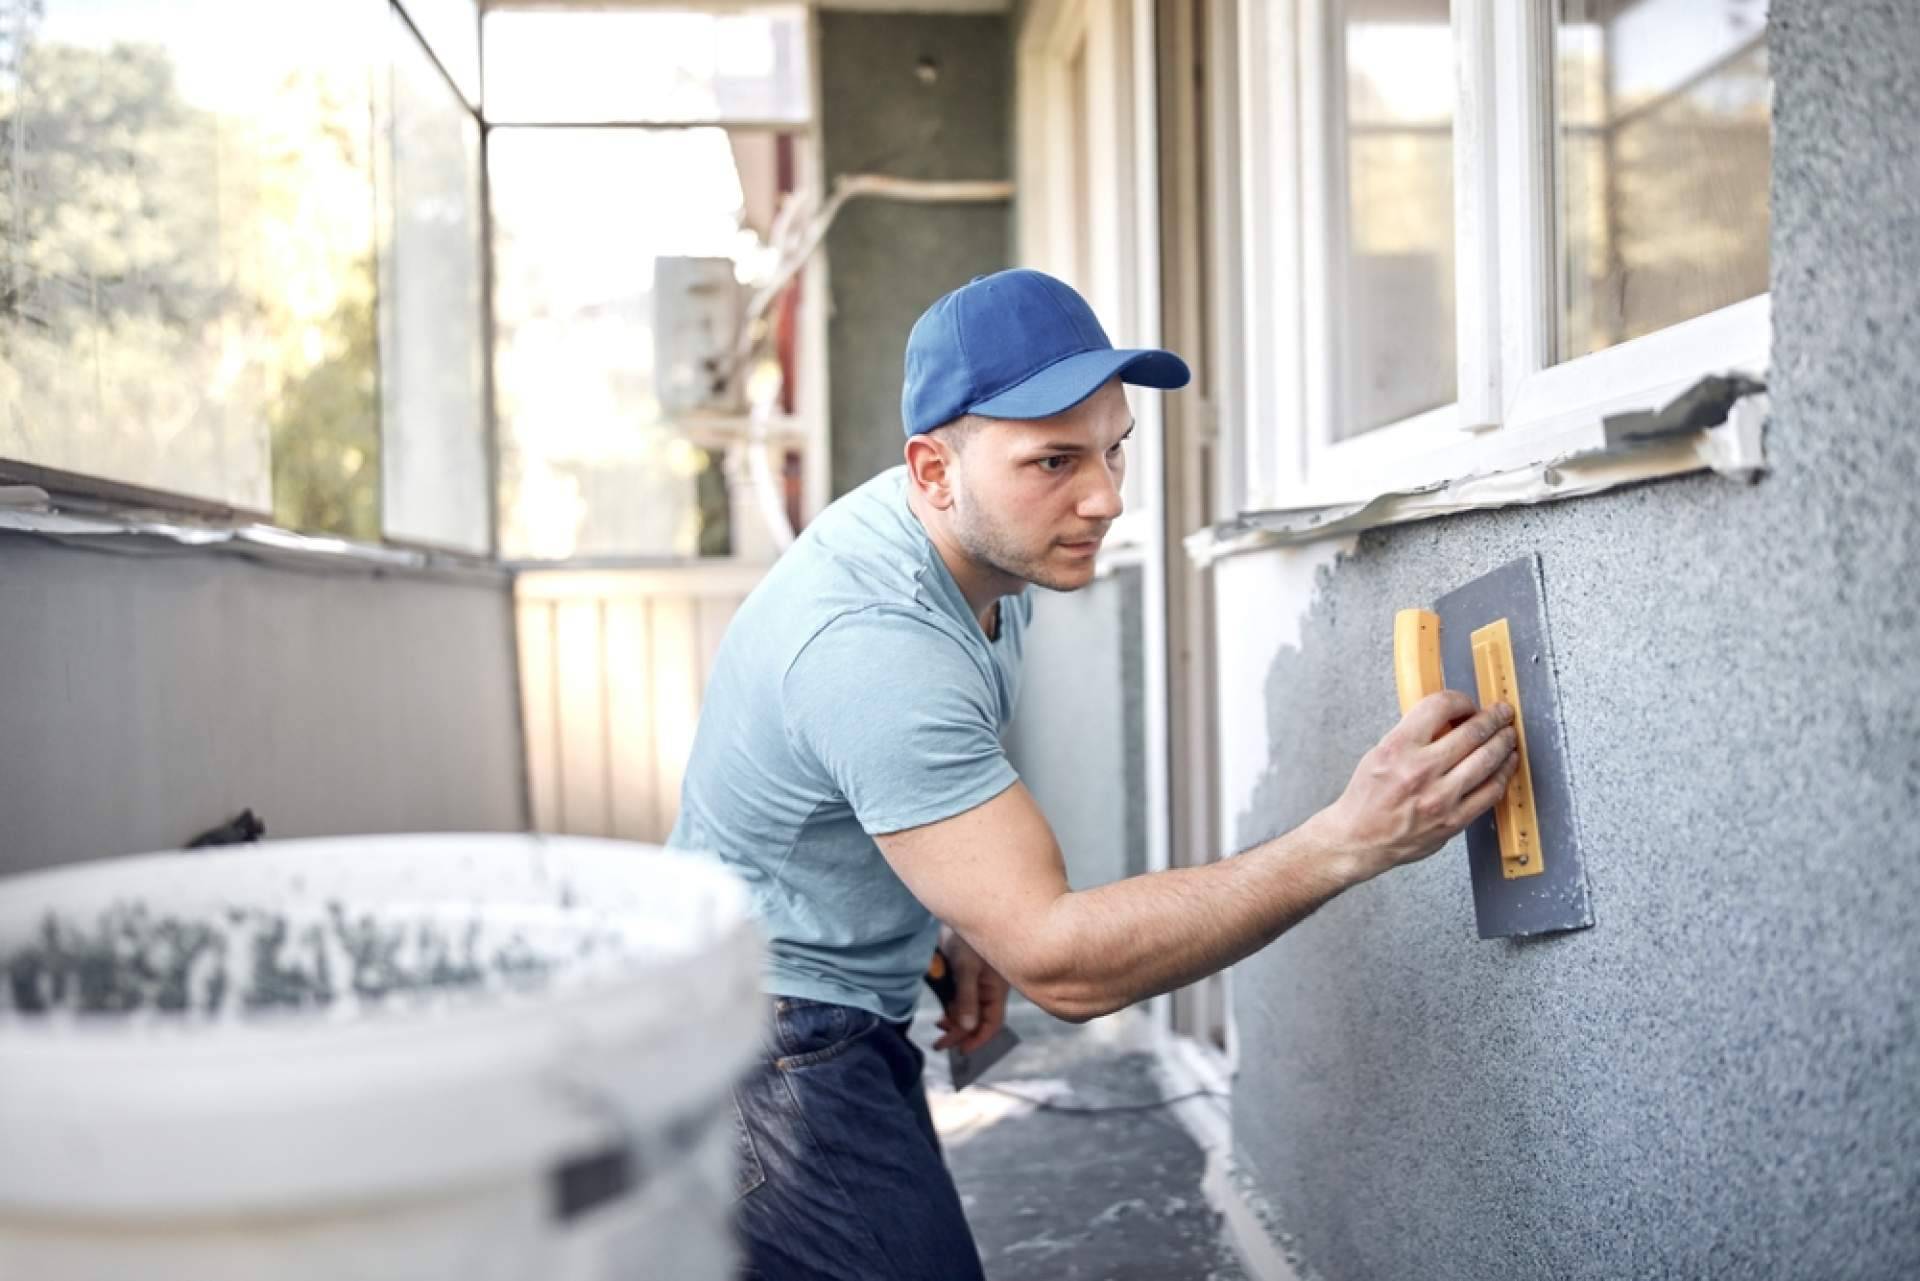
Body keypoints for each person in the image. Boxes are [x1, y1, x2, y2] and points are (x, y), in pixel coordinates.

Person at [668, 268, 1519, 1280]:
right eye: (1055, 461)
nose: (1107, 498)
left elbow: (852, 795)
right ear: (933, 471)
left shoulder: (977, 554)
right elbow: (1062, 964)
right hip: (764, 1051)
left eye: (1115, 448)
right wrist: (1350, 839)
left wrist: (952, 906)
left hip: (801, 1004)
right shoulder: (873, 643)